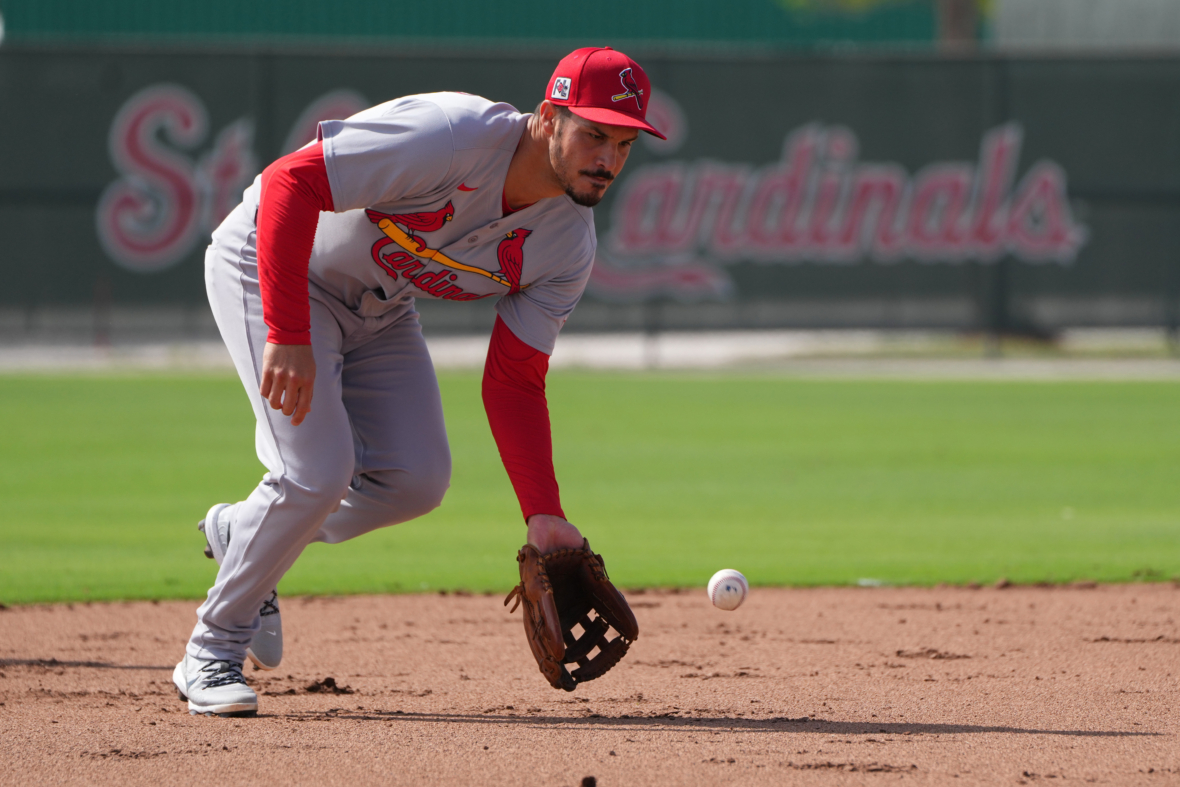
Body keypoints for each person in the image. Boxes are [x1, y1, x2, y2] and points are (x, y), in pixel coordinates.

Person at [173, 46, 664, 716]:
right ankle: (212, 649)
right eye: (594, 134)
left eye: (625, 144)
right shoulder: (454, 135)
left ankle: (242, 531)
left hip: (378, 308)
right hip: (274, 268)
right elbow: (291, 182)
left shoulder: (567, 245)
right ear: (550, 117)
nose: (608, 159)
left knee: (416, 479)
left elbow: (516, 380)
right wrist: (288, 332)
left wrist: (543, 512)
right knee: (317, 471)